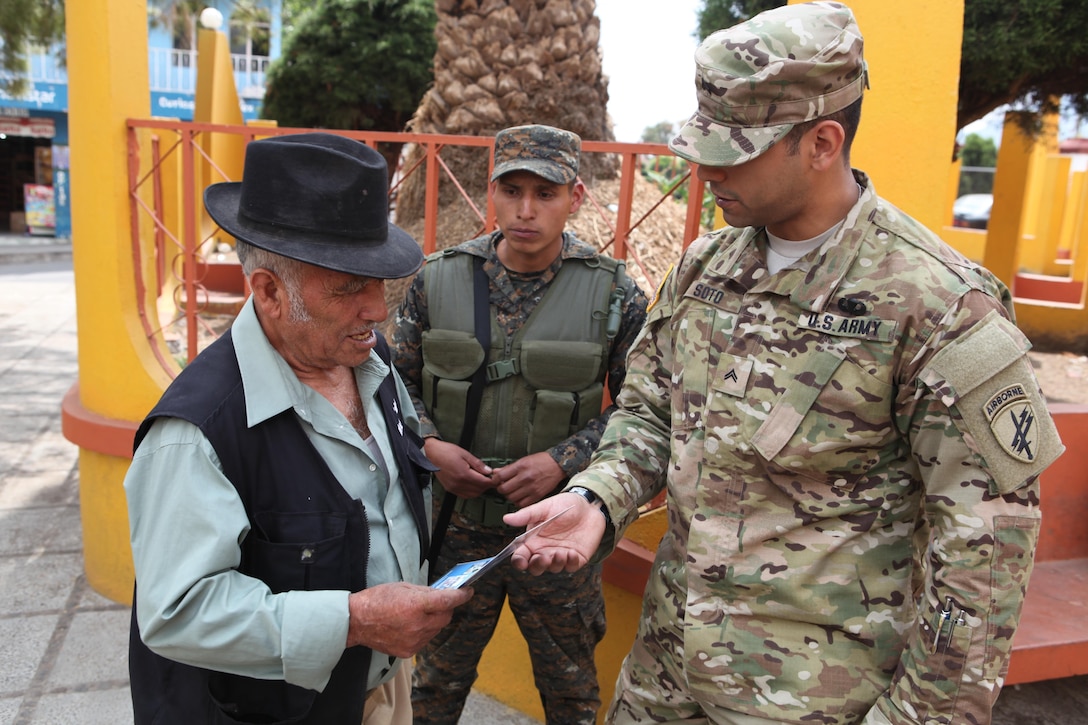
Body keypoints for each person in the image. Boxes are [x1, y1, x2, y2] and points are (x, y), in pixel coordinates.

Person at [505, 4, 1065, 724]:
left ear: (823, 141)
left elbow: (983, 556)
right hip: (667, 681)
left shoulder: (941, 305)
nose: (704, 168)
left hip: (816, 701)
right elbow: (649, 412)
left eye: (733, 150)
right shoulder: (706, 267)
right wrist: (598, 498)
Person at [124, 132, 472, 725]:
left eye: (379, 283)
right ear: (268, 293)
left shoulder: (369, 358)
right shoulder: (197, 433)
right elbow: (176, 612)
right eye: (349, 288)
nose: (378, 310)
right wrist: (356, 620)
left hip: (378, 689)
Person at [392, 123, 649, 723]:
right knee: (431, 692)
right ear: (491, 193)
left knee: (571, 698)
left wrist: (563, 462)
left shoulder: (614, 295)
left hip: (556, 537)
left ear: (575, 198)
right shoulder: (437, 279)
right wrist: (430, 446)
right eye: (512, 190)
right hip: (453, 532)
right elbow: (391, 383)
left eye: (546, 192)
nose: (526, 210)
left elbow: (645, 406)